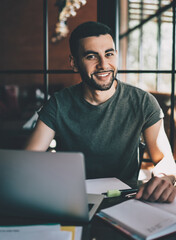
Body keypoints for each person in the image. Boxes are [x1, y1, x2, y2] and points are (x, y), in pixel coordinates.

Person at [25, 21, 176, 203]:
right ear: (74, 63)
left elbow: (164, 160)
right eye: (91, 56)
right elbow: (29, 160)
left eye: (109, 54)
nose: (103, 64)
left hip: (126, 200)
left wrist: (164, 178)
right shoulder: (58, 104)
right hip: (73, 200)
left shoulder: (142, 102)